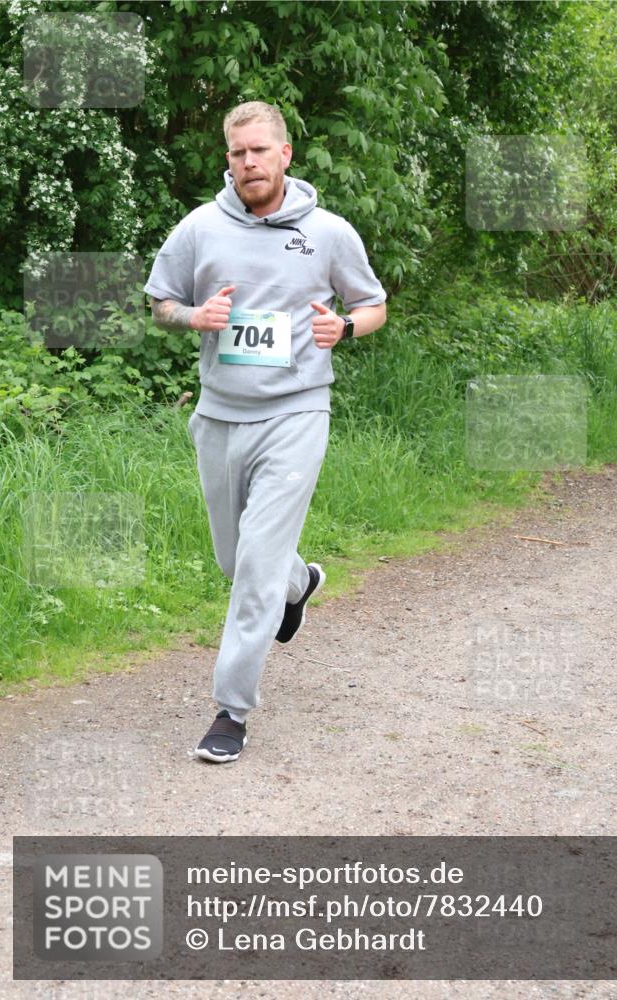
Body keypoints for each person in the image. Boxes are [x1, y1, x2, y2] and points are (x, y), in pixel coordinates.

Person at [144, 101, 386, 763]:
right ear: (228, 160)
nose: (248, 162)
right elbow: (160, 302)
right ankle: (298, 585)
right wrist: (191, 317)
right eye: (237, 152)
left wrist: (345, 329)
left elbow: (372, 305)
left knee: (252, 569)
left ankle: (230, 712)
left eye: (260, 150)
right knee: (234, 559)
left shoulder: (330, 233)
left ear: (285, 155)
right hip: (219, 415)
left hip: (297, 412)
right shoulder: (198, 228)